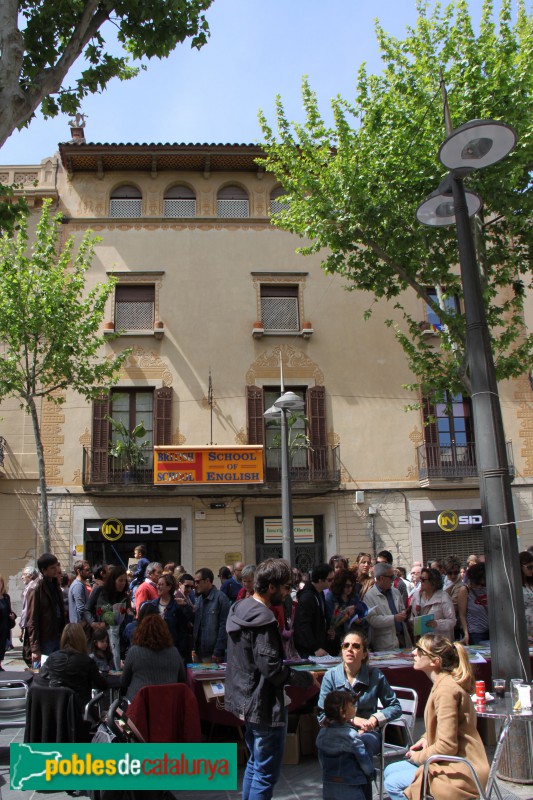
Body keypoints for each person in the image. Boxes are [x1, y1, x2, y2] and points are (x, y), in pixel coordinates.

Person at [225, 558, 318, 800]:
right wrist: (306, 679)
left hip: (245, 699)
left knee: (255, 765)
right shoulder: (263, 618)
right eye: (287, 587)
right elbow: (272, 668)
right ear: (271, 586)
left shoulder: (240, 609)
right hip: (263, 703)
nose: (289, 593)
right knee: (265, 772)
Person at [383, 633, 489, 800]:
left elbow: (447, 746)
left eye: (419, 650)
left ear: (434, 661)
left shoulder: (446, 690)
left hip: (461, 768)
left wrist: (418, 757)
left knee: (392, 782)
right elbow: (447, 726)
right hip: (451, 761)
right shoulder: (441, 684)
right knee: (389, 770)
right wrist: (426, 738)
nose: (413, 653)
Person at [318, 628, 402, 758]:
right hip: (338, 730)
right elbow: (322, 714)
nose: (349, 649)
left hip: (368, 733)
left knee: (361, 744)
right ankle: (336, 778)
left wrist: (375, 719)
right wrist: (351, 719)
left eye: (356, 646)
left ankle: (362, 777)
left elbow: (395, 707)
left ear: (364, 654)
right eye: (346, 645)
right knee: (325, 739)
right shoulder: (331, 676)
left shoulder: (375, 675)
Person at [317, 689, 375, 800]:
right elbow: (363, 759)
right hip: (351, 783)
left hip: (329, 783)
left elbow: (321, 759)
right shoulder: (352, 736)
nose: (355, 708)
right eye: (352, 706)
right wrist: (371, 773)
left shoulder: (322, 733)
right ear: (342, 712)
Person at [38, 622, 108, 714]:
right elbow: (102, 685)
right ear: (82, 639)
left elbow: (42, 674)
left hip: (56, 711)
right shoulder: (86, 661)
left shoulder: (53, 658)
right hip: (80, 712)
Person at [121, 614, 186, 701]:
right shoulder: (174, 652)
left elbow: (124, 681)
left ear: (140, 632)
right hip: (168, 705)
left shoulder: (134, 652)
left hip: (139, 706)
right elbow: (182, 679)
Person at [25, 552, 66, 666]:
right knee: (42, 673)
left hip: (58, 633)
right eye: (52, 568)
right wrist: (35, 648)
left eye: (56, 566)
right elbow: (32, 619)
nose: (56, 570)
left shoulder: (55, 584)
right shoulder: (36, 588)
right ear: (44, 570)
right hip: (46, 637)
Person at [364, 562, 411, 650]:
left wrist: (404, 613)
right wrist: (394, 618)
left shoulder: (395, 592)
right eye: (391, 577)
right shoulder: (369, 596)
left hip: (402, 639)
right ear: (382, 578)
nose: (393, 580)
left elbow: (401, 608)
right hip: (385, 644)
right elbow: (373, 620)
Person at [294, 563, 334, 657]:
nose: (332, 582)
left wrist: (328, 629)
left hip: (318, 646)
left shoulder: (320, 594)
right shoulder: (307, 597)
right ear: (320, 580)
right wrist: (315, 648)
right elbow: (303, 625)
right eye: (330, 580)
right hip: (309, 650)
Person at [324, 569, 368, 652]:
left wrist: (359, 619)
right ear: (340, 585)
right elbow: (330, 621)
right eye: (347, 586)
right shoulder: (331, 597)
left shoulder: (354, 596)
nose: (350, 589)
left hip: (352, 636)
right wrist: (345, 613)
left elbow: (360, 614)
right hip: (336, 639)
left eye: (352, 585)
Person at [152, 572, 192, 661]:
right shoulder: (153, 605)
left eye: (161, 584)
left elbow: (182, 631)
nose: (158, 587)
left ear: (169, 587)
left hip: (172, 651)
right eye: (157, 584)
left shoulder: (177, 606)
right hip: (155, 650)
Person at [193, 567, 230, 662]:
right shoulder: (199, 599)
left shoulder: (221, 598)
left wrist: (218, 651)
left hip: (212, 653)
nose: (195, 585)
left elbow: (224, 626)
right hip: (198, 652)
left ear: (207, 581)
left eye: (197, 582)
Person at [409, 567, 456, 641]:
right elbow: (412, 616)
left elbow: (452, 621)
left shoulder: (444, 598)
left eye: (423, 580)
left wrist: (436, 624)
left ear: (433, 582)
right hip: (423, 641)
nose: (421, 581)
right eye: (420, 579)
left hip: (440, 642)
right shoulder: (416, 596)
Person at [458, 562, 489, 645]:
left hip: (491, 630)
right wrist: (466, 634)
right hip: (475, 633)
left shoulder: (488, 588)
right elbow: (462, 614)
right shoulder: (465, 590)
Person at [20, 565, 38, 666]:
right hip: (30, 623)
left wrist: (22, 627)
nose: (22, 577)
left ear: (30, 576)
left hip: (29, 624)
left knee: (27, 653)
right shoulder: (30, 587)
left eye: (24, 575)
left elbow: (26, 610)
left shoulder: (31, 588)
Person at [0, 575, 15, 670]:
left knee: (2, 648)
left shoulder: (6, 597)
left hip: (4, 628)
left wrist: (12, 616)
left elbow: (9, 610)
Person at [519, 551, 533, 638]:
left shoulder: (531, 583)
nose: (532, 570)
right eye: (530, 567)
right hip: (523, 627)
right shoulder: (515, 584)